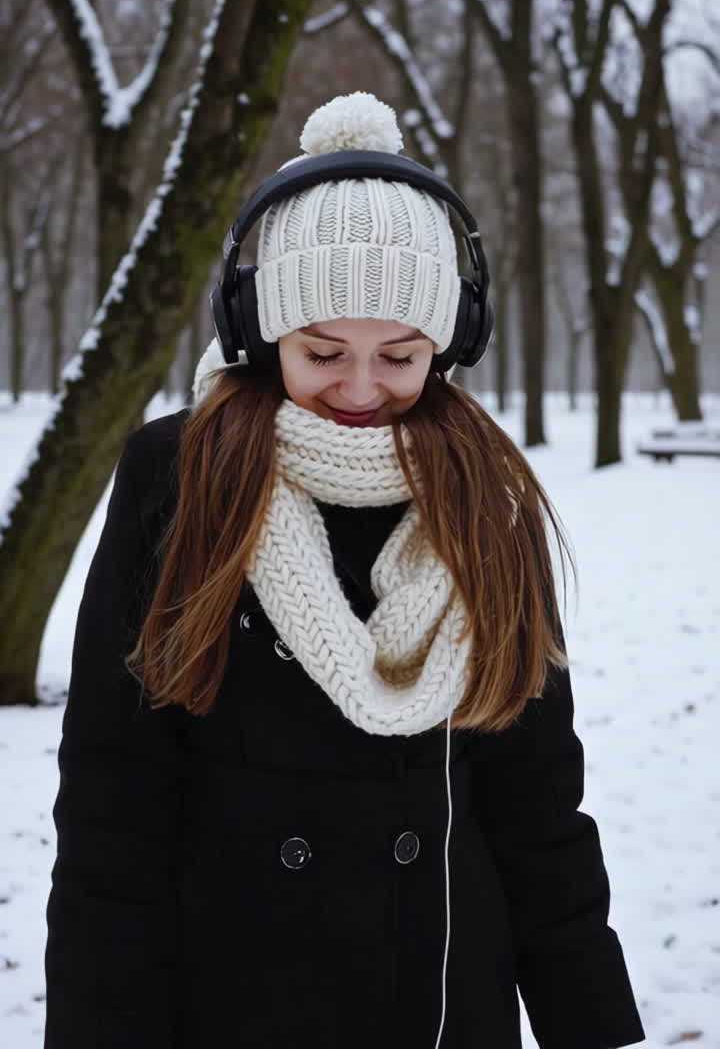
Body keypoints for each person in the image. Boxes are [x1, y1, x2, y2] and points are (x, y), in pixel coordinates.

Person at [44, 92, 646, 1049]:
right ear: (258, 329)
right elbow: (114, 804)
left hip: (443, 997)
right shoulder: (180, 475)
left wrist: (596, 1028)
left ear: (450, 345)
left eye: (400, 356)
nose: (362, 390)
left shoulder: (486, 496)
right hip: (230, 999)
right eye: (323, 352)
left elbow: (539, 809)